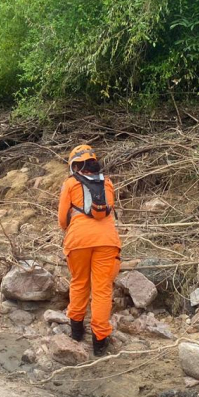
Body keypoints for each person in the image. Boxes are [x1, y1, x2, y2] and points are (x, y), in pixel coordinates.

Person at [58, 144, 122, 357]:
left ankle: (76, 331)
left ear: (74, 165)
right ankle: (100, 342)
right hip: (107, 241)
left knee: (79, 282)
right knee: (102, 289)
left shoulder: (70, 183)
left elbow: (62, 220)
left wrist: (74, 230)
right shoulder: (107, 182)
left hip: (78, 240)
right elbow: (108, 211)